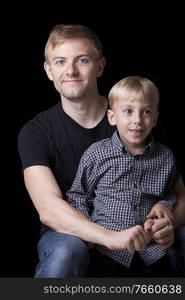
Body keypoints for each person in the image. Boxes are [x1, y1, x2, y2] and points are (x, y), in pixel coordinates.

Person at [17, 24, 185, 278]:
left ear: (100, 66)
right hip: (72, 234)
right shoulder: (36, 132)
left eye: (82, 60)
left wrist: (168, 221)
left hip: (141, 231)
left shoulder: (136, 116)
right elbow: (49, 207)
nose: (71, 70)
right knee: (66, 249)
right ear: (49, 70)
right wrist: (109, 237)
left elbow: (179, 194)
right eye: (60, 61)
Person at [66, 76, 179, 277]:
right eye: (128, 111)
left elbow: (170, 193)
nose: (137, 120)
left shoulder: (165, 157)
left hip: (152, 251)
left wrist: (164, 206)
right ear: (112, 117)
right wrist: (89, 234)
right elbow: (78, 196)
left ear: (154, 119)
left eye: (146, 112)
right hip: (108, 252)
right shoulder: (97, 153)